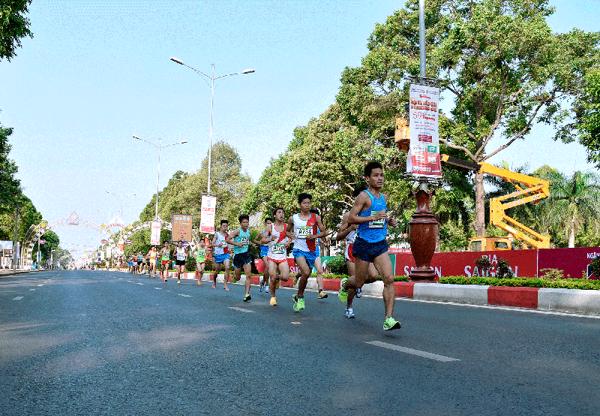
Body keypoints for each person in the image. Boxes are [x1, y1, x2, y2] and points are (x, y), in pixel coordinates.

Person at [338, 161, 401, 331]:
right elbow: (351, 218)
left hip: (380, 244)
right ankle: (345, 284)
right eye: (376, 175)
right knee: (359, 282)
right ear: (367, 178)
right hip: (364, 244)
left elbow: (380, 216)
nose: (380, 178)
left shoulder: (384, 197)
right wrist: (370, 219)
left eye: (381, 175)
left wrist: (388, 220)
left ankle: (388, 319)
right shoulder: (364, 197)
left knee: (389, 279)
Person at [287, 193, 328, 312]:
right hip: (298, 249)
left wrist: (314, 236)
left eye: (309, 203)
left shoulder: (316, 217)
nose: (307, 205)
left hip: (311, 250)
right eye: (305, 203)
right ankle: (300, 298)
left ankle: (297, 295)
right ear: (300, 204)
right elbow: (287, 231)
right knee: (305, 271)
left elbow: (324, 232)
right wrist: (292, 236)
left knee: (307, 274)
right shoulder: (293, 218)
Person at [263, 207, 291, 306]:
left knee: (286, 277)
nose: (281, 214)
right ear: (275, 215)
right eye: (279, 212)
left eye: (283, 212)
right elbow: (263, 240)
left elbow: (292, 236)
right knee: (272, 277)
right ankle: (273, 297)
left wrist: (289, 242)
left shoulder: (287, 226)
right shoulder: (270, 226)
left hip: (282, 257)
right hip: (272, 257)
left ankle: (277, 277)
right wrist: (270, 238)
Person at [227, 214, 253, 302]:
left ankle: (246, 294)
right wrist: (237, 244)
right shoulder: (237, 231)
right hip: (238, 256)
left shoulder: (249, 232)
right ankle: (234, 276)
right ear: (240, 223)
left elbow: (249, 240)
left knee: (248, 275)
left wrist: (253, 243)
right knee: (238, 277)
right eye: (244, 222)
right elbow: (227, 239)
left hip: (246, 255)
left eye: (247, 222)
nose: (246, 224)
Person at [310, 208, 329, 300]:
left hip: (315, 252)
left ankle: (321, 291)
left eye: (317, 216)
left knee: (320, 271)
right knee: (305, 272)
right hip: (304, 252)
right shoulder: (305, 225)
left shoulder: (318, 227)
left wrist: (323, 242)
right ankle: (297, 276)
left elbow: (320, 237)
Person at [254, 217, 273, 293]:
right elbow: (255, 240)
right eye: (268, 223)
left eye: (270, 223)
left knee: (267, 268)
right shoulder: (261, 232)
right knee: (268, 266)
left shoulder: (274, 232)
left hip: (271, 250)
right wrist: (260, 243)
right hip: (264, 250)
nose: (269, 224)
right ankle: (267, 285)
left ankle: (262, 282)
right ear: (265, 224)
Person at [211, 220, 231, 291]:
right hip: (217, 255)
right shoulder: (217, 234)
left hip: (225, 254)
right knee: (217, 271)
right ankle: (214, 281)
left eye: (226, 226)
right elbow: (212, 244)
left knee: (227, 267)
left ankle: (225, 284)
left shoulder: (228, 235)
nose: (225, 227)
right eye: (223, 226)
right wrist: (217, 245)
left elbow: (229, 244)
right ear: (221, 226)